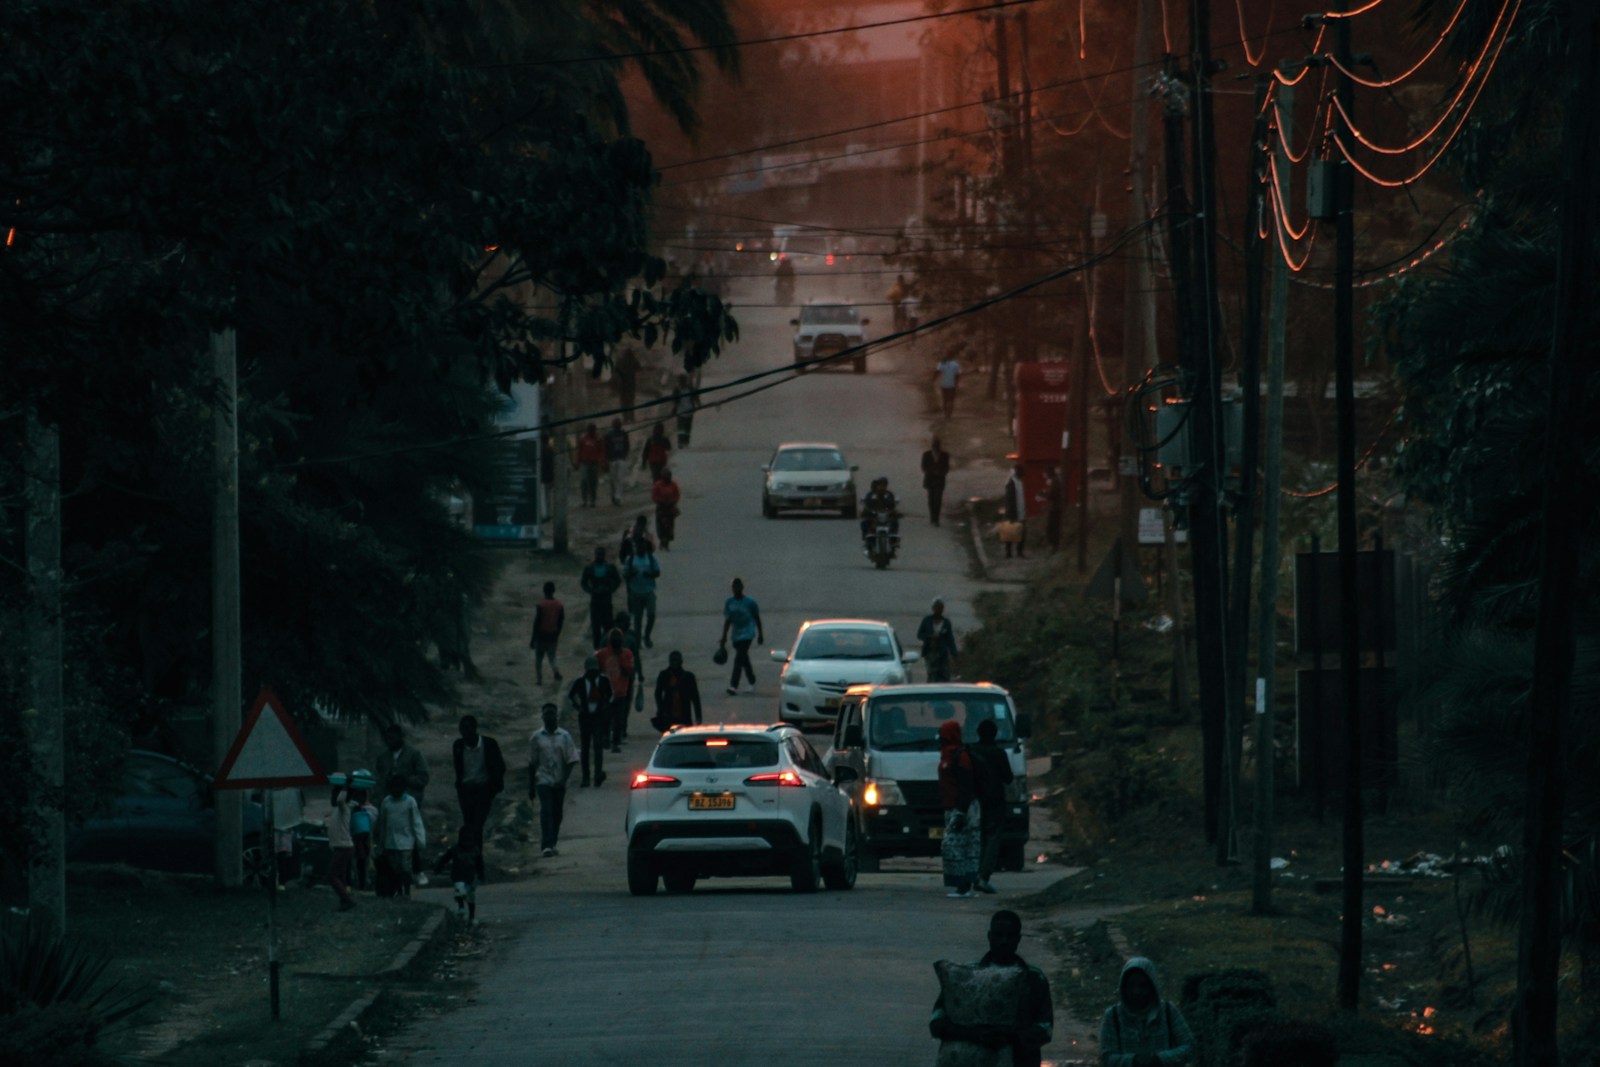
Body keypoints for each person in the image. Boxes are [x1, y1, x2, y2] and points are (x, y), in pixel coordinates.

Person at [929, 910, 1054, 1065]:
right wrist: (973, 1034)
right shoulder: (967, 975)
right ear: (989, 936)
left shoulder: (1033, 979)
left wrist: (1010, 1036)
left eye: (1010, 936)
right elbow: (937, 1022)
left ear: (1018, 939)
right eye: (998, 935)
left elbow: (1045, 1029)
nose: (1004, 941)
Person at [1098, 957, 1196, 1067]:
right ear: (1124, 987)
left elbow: (1189, 1046)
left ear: (1152, 986)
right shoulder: (1113, 1016)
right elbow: (1106, 1056)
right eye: (1131, 986)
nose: (1137, 991)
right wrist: (1133, 1061)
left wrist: (1160, 1059)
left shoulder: (1168, 1012)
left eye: (1142, 985)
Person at [375, 725, 431, 885]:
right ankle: (393, 875)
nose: (389, 741)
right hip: (390, 804)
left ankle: (416, 870)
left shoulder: (414, 755)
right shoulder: (383, 757)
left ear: (400, 737)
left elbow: (424, 778)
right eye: (387, 738)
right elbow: (380, 780)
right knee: (390, 838)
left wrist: (405, 780)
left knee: (409, 837)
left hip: (408, 803)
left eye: (392, 738)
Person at [527, 703, 580, 858]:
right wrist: (531, 786)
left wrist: (563, 779)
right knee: (546, 811)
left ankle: (553, 842)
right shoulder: (536, 738)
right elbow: (531, 762)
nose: (549, 716)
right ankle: (546, 845)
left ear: (556, 716)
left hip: (559, 780)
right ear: (543, 717)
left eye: (552, 713)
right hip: (543, 780)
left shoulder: (564, 736)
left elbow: (571, 760)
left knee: (557, 813)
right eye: (547, 713)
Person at [969, 718, 1014, 894]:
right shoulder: (999, 753)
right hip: (995, 801)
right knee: (992, 839)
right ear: (995, 734)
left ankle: (972, 875)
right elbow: (1008, 778)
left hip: (974, 802)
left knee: (976, 839)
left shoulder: (970, 752)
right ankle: (983, 877)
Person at [938, 720, 980, 897]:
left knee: (954, 846)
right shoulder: (947, 755)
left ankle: (963, 884)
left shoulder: (960, 756)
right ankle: (965, 884)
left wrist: (961, 811)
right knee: (963, 846)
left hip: (962, 809)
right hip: (954, 808)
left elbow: (966, 784)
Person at [451, 715, 506, 841]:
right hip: (466, 790)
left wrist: (493, 788)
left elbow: (500, 766)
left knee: (477, 824)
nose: (465, 732)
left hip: (483, 789)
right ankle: (474, 856)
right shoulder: (458, 746)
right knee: (469, 824)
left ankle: (475, 855)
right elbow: (458, 768)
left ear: (474, 729)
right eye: (462, 728)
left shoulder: (489, 744)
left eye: (467, 728)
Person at [374, 774, 425, 899]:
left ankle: (406, 891)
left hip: (407, 842)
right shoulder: (386, 802)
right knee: (394, 869)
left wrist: (420, 840)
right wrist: (381, 842)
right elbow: (383, 824)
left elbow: (416, 822)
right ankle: (399, 891)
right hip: (390, 842)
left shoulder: (410, 802)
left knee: (405, 868)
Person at [566, 655, 613, 787]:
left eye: (595, 671)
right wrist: (578, 707)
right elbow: (571, 696)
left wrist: (604, 707)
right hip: (585, 718)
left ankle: (597, 774)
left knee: (597, 747)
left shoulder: (604, 681)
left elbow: (610, 696)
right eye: (590, 671)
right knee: (585, 748)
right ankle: (586, 777)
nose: (593, 673)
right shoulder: (580, 682)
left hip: (598, 718)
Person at [719, 577, 764, 696]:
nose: (736, 589)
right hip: (736, 635)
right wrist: (724, 637)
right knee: (743, 658)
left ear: (742, 587)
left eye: (738, 587)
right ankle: (752, 680)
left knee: (739, 658)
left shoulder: (750, 602)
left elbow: (757, 618)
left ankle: (733, 685)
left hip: (748, 633)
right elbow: (728, 621)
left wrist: (760, 634)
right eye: (734, 587)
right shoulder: (729, 602)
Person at [433, 823, 485, 923]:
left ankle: (471, 916)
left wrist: (481, 874)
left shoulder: (475, 850)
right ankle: (462, 907)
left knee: (470, 897)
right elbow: (445, 859)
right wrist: (438, 868)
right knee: (460, 891)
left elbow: (480, 864)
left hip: (470, 877)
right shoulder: (456, 849)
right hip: (458, 876)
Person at [597, 628, 636, 753]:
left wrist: (620, 657)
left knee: (619, 719)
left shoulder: (627, 653)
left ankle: (615, 742)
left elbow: (628, 671)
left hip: (621, 691)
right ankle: (606, 739)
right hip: (606, 692)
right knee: (606, 718)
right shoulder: (602, 654)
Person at [324, 777, 358, 911]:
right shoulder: (339, 810)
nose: (332, 797)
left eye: (334, 793)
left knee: (331, 876)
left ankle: (347, 900)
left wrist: (345, 787)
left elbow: (340, 800)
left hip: (343, 847)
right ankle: (344, 901)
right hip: (343, 846)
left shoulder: (344, 807)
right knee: (340, 876)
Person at [580, 546, 622, 648]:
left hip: (606, 600)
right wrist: (591, 591)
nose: (599, 556)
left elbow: (618, 580)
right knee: (596, 628)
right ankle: (597, 650)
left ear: (604, 555)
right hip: (595, 600)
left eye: (601, 554)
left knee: (608, 627)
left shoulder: (610, 567)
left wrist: (611, 589)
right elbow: (583, 582)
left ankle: (607, 648)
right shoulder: (590, 568)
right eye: (598, 554)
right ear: (595, 555)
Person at [653, 651, 703, 730]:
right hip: (668, 713)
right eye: (673, 661)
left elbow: (695, 697)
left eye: (676, 661)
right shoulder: (664, 675)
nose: (675, 663)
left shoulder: (689, 677)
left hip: (684, 713)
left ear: (681, 662)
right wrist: (660, 710)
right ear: (669, 662)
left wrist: (698, 716)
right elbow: (658, 694)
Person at [624, 543, 661, 648]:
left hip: (649, 591)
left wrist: (649, 575)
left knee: (651, 615)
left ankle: (647, 635)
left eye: (642, 547)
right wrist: (632, 574)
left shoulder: (650, 558)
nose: (640, 549)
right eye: (638, 547)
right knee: (637, 618)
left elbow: (657, 572)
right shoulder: (631, 559)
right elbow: (625, 575)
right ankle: (638, 639)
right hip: (635, 592)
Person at [529, 581, 565, 685]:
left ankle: (539, 680)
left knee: (538, 660)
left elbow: (537, 622)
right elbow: (561, 621)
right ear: (554, 591)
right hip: (552, 636)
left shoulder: (541, 605)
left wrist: (532, 639)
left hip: (540, 636)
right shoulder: (559, 605)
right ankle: (556, 672)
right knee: (552, 657)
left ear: (544, 591)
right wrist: (557, 634)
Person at [917, 597, 959, 683]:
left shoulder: (946, 623)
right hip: (929, 653)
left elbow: (950, 639)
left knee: (944, 674)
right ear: (933, 608)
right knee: (932, 673)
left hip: (942, 654)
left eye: (940, 608)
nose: (939, 610)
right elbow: (919, 635)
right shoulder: (927, 621)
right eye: (936, 607)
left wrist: (954, 654)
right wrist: (930, 636)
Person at [270, 786, 304, 891]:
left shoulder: (273, 792)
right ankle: (280, 882)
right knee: (282, 856)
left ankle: (280, 882)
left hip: (280, 829)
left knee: (280, 857)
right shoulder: (292, 791)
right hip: (284, 829)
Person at [858, 476, 901, 548]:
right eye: (880, 484)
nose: (882, 487)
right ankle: (868, 540)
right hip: (873, 516)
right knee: (864, 523)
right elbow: (867, 505)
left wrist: (894, 512)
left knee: (894, 522)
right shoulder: (871, 495)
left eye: (884, 484)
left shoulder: (889, 495)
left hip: (886, 516)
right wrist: (867, 512)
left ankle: (893, 540)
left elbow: (892, 505)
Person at [349, 785, 376, 892]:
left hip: (363, 840)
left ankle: (362, 882)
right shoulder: (351, 809)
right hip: (356, 840)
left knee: (362, 861)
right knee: (358, 862)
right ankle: (360, 882)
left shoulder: (370, 810)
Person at [921, 437, 951, 526]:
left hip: (939, 480)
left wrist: (941, 473)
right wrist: (932, 471)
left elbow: (947, 467)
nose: (935, 448)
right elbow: (923, 467)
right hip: (930, 480)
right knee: (931, 500)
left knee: (938, 500)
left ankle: (936, 519)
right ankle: (932, 517)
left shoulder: (945, 455)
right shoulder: (926, 455)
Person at [651, 467, 682, 552]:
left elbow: (677, 494)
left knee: (669, 526)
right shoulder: (658, 485)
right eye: (666, 476)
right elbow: (654, 496)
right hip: (661, 507)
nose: (668, 478)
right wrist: (660, 501)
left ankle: (666, 542)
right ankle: (662, 540)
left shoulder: (673, 485)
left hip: (670, 507)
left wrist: (673, 501)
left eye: (669, 476)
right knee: (660, 525)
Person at [575, 422, 604, 508]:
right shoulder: (583, 438)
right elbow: (579, 450)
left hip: (594, 464)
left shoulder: (598, 438)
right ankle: (584, 500)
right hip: (584, 464)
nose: (591, 432)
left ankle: (592, 501)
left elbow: (602, 451)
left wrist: (601, 461)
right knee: (583, 482)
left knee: (593, 483)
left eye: (592, 431)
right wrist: (577, 461)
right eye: (590, 431)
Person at [603, 418, 631, 505]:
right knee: (613, 479)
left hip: (621, 459)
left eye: (618, 423)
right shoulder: (609, 435)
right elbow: (606, 447)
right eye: (616, 423)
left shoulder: (624, 434)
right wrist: (606, 459)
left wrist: (625, 455)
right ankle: (613, 495)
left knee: (620, 478)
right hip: (612, 459)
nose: (617, 425)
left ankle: (617, 497)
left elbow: (627, 445)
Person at [1002, 464, 1028, 559]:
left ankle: (1017, 552)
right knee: (1011, 533)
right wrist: (1010, 513)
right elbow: (1009, 500)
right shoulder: (1012, 483)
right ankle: (1010, 552)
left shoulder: (1018, 482)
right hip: (1014, 513)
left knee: (1019, 533)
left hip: (1020, 511)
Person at [613, 345, 642, 422]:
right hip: (630, 385)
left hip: (622, 385)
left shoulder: (620, 360)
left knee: (623, 402)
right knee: (631, 402)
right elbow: (639, 368)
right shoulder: (633, 360)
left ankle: (625, 418)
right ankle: (631, 418)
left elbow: (615, 370)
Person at [935, 347, 963, 419]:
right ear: (953, 356)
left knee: (945, 399)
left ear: (946, 355)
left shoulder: (942, 363)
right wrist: (956, 383)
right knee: (951, 400)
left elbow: (937, 372)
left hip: (944, 384)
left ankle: (945, 414)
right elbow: (958, 375)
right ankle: (949, 414)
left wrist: (933, 379)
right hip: (952, 385)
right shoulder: (956, 364)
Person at [1043, 467, 1064, 553]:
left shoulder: (1054, 482)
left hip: (1055, 508)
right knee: (1054, 528)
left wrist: (1045, 495)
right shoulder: (1056, 480)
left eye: (1046, 473)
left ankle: (1054, 546)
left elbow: (1052, 495)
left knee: (1052, 528)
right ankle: (1054, 546)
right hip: (1056, 507)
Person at [673, 374, 698, 448]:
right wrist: (674, 408)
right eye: (680, 381)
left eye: (683, 381)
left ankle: (686, 441)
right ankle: (681, 442)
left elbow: (695, 396)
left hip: (689, 411)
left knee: (687, 427)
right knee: (681, 428)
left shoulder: (690, 388)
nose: (681, 382)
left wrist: (698, 404)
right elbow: (674, 400)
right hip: (680, 411)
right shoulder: (677, 390)